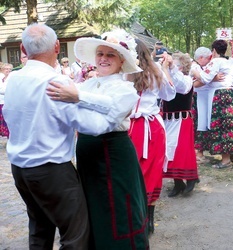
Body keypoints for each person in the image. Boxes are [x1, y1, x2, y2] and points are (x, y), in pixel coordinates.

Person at [2, 23, 134, 249]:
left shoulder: (13, 79)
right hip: (51, 168)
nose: (103, 58)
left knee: (39, 228)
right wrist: (116, 115)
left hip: (20, 167)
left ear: (23, 49)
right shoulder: (57, 82)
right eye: (100, 54)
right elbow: (92, 125)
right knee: (75, 234)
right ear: (56, 47)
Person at [46, 29, 149, 248]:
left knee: (118, 205)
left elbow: (103, 123)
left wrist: (78, 99)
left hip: (114, 153)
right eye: (100, 54)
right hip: (88, 154)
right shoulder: (87, 85)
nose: (103, 59)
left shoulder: (125, 89)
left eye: (110, 55)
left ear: (122, 61)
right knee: (92, 204)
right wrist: (78, 99)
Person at [127, 38, 176, 234]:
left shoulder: (124, 73)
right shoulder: (156, 71)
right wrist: (165, 69)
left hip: (133, 126)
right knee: (152, 171)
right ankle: (148, 221)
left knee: (134, 171)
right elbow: (170, 94)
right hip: (152, 127)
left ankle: (138, 218)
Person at [191, 39, 233, 169]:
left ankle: (225, 160)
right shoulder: (231, 61)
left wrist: (194, 71)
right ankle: (231, 155)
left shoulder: (215, 62)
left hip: (220, 96)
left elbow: (204, 78)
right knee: (230, 125)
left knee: (222, 126)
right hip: (231, 94)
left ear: (214, 50)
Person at [161, 52, 200, 196]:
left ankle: (191, 177)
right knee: (168, 151)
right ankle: (178, 183)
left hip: (182, 119)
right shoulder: (166, 77)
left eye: (176, 64)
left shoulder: (186, 79)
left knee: (182, 150)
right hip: (167, 119)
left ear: (182, 67)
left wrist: (170, 68)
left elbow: (179, 86)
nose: (173, 67)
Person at [191, 47, 212, 164]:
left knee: (202, 123)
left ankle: (199, 151)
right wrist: (212, 78)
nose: (209, 61)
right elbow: (199, 82)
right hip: (197, 97)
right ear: (200, 58)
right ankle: (198, 152)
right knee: (199, 123)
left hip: (203, 97)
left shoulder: (200, 66)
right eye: (207, 58)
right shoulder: (194, 66)